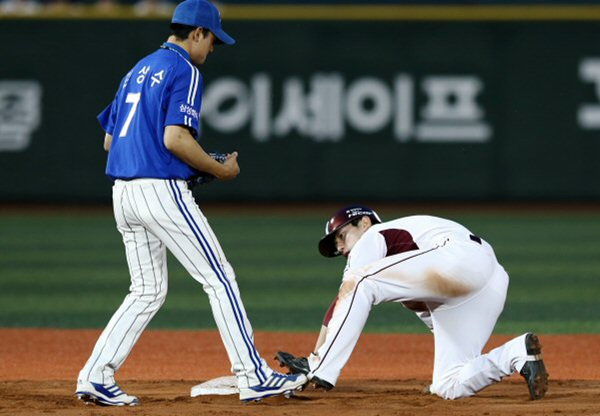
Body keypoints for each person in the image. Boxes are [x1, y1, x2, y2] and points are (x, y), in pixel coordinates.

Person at [75, 0, 307, 406]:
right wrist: (220, 170)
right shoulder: (184, 69)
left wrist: (182, 160)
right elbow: (174, 139)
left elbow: (110, 140)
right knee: (220, 278)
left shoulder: (136, 69)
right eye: (213, 39)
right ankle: (253, 375)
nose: (213, 48)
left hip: (122, 193)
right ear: (197, 33)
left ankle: (96, 375)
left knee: (146, 291)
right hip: (159, 192)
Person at [276, 205, 548, 400]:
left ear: (364, 223)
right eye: (336, 247)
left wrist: (314, 358)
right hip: (488, 283)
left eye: (341, 236)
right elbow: (433, 317)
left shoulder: (373, 235)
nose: (341, 248)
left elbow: (344, 298)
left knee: (359, 282)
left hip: (458, 258)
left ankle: (322, 367)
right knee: (448, 385)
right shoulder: (404, 265)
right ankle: (516, 353)